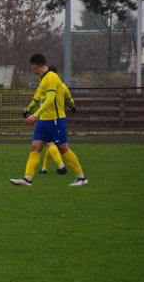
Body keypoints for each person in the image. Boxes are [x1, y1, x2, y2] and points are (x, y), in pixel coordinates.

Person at [10, 53, 88, 187]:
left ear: (35, 65)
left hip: (55, 120)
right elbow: (38, 98)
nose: (32, 70)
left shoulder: (51, 77)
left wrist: (35, 115)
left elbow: (50, 100)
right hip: (44, 121)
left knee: (63, 148)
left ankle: (81, 178)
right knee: (35, 147)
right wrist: (28, 110)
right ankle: (27, 179)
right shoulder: (43, 79)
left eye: (32, 67)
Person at [26, 66, 74, 175]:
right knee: (46, 145)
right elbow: (70, 100)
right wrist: (73, 107)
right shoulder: (62, 86)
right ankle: (41, 170)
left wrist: (32, 113)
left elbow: (38, 100)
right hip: (49, 118)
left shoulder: (48, 84)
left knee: (59, 146)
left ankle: (68, 169)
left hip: (51, 118)